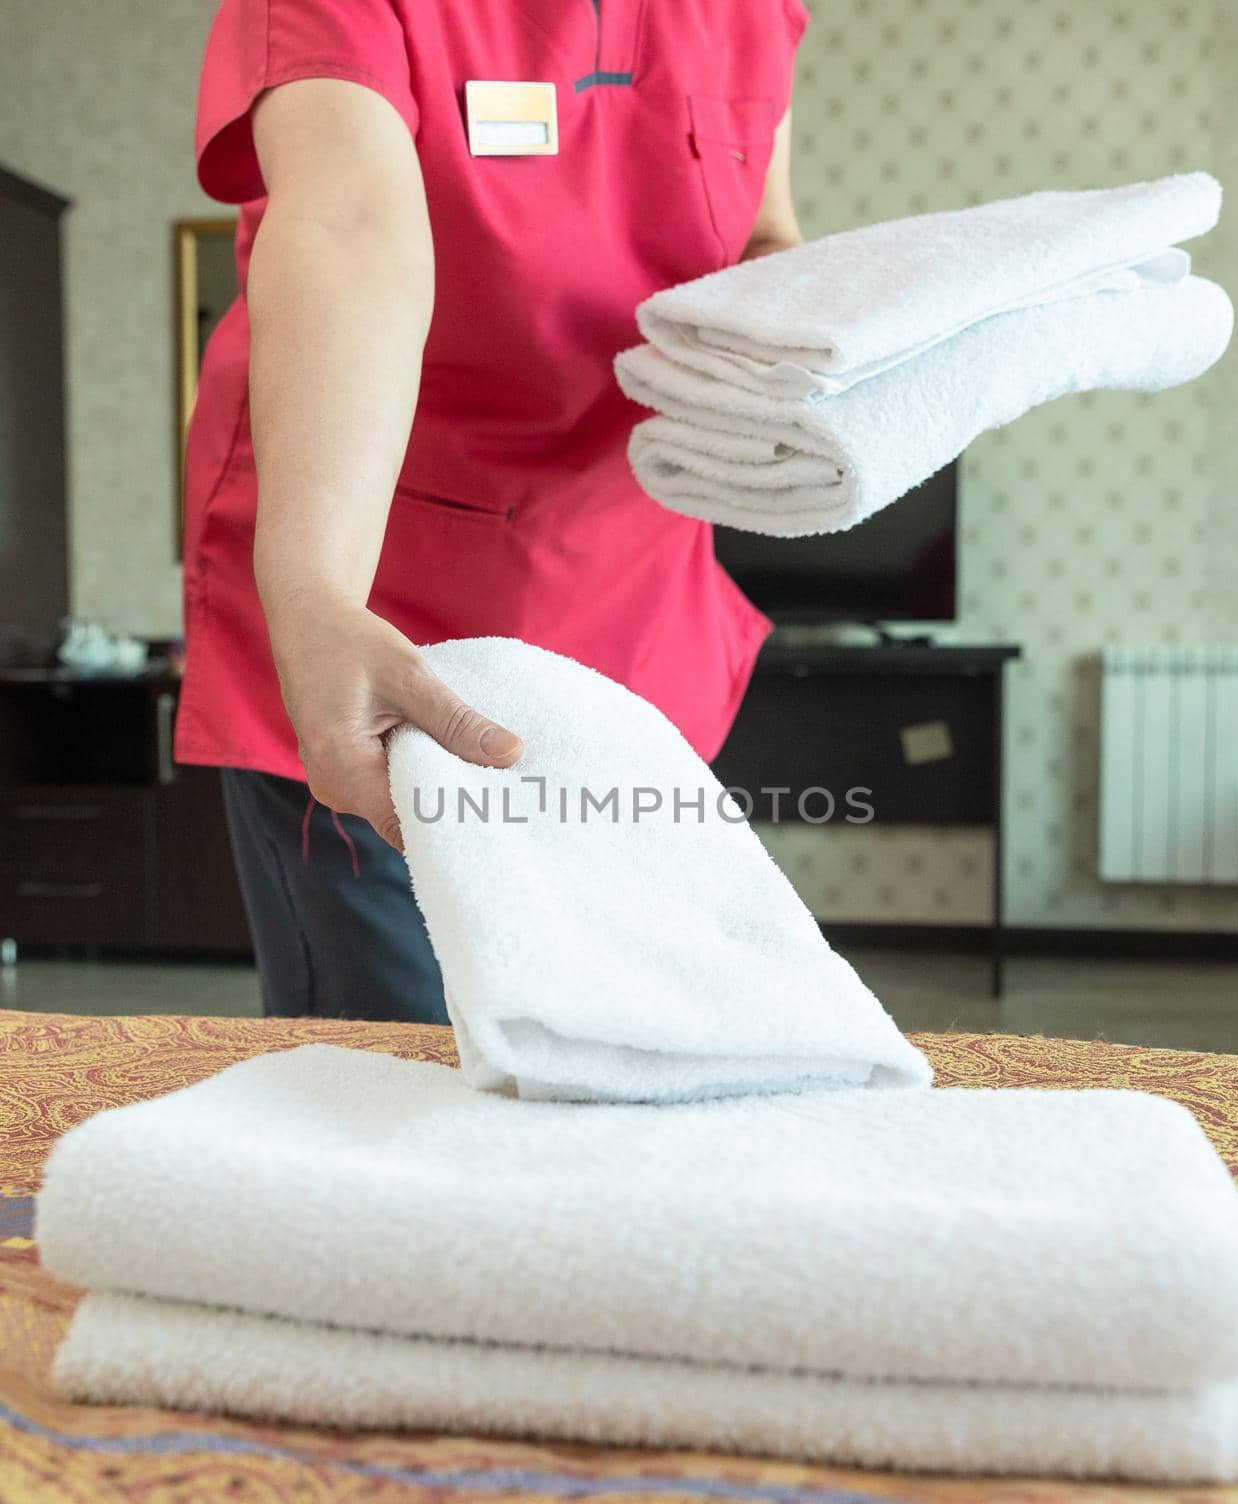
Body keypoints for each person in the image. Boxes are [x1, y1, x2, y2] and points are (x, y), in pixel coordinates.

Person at [178, 0, 808, 1023]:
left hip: (633, 605)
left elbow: (760, 228)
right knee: (404, 1067)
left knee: (628, 1037)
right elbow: (348, 218)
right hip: (379, 598)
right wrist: (314, 587)